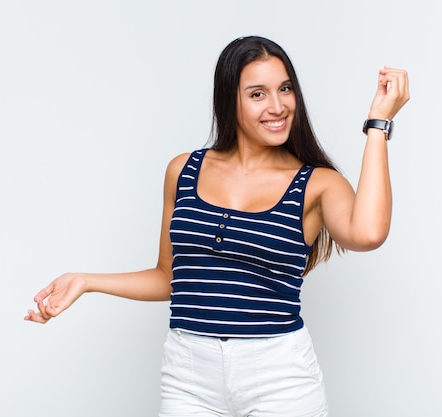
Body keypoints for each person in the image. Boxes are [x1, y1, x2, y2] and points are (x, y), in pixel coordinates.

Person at [25, 35, 409, 417]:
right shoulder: (183, 170)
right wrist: (87, 281)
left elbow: (369, 233)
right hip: (189, 375)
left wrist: (379, 123)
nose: (277, 106)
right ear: (230, 100)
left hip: (278, 375)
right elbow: (168, 278)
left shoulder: (316, 183)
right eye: (257, 94)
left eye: (285, 89)